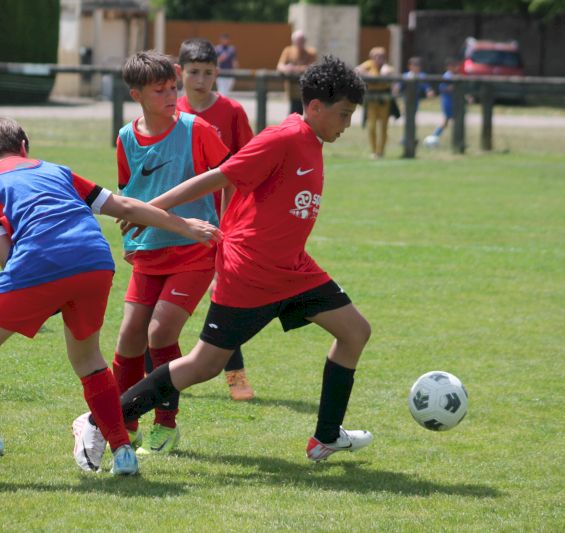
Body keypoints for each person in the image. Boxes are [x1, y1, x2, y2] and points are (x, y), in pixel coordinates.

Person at [74, 55, 373, 469]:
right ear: (317, 107)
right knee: (204, 365)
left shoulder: (312, 139)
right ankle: (97, 419)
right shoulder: (284, 137)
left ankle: (325, 438)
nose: (347, 124)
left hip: (293, 270)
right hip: (251, 272)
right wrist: (151, 209)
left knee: (355, 331)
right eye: (344, 114)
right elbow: (218, 177)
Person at [0, 114, 221, 483]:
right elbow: (124, 206)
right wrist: (184, 225)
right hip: (95, 260)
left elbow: (6, 256)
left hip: (38, 262)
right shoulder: (56, 170)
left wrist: (42, 294)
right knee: (89, 359)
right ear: (24, 147)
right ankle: (123, 452)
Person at [78, 50, 232, 461]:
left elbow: (232, 178)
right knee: (129, 336)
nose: (171, 96)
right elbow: (128, 193)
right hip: (148, 251)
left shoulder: (197, 130)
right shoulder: (126, 138)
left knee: (160, 333)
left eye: (172, 88)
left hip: (194, 249)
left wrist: (229, 231)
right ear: (137, 95)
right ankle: (124, 423)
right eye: (160, 91)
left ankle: (166, 423)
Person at [176, 38, 256, 401]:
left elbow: (246, 168)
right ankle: (157, 373)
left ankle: (236, 376)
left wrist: (232, 223)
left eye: (208, 73)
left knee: (223, 299)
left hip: (220, 223)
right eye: (193, 72)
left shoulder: (232, 112)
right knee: (161, 303)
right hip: (176, 222)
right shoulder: (170, 110)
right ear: (180, 72)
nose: (200, 80)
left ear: (217, 73)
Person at [356, 47, 396, 159]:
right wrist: (368, 73)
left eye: (381, 57)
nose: (378, 59)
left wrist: (379, 74)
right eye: (376, 57)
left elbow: (387, 73)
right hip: (371, 101)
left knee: (383, 127)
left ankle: (381, 152)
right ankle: (373, 151)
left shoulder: (387, 67)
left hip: (384, 101)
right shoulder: (368, 65)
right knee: (372, 126)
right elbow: (357, 69)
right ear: (372, 57)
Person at [276, 30, 318, 115]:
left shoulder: (311, 52)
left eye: (302, 41)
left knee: (306, 115)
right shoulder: (288, 51)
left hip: (307, 92)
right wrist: (287, 68)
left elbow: (312, 68)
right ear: (293, 41)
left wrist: (294, 69)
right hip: (292, 91)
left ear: (305, 41)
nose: (300, 43)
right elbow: (280, 66)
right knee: (293, 114)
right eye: (298, 41)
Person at [397, 56, 435, 146]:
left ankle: (410, 137)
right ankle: (407, 138)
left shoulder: (421, 76)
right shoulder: (406, 76)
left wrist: (429, 91)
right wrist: (396, 89)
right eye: (414, 65)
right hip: (406, 101)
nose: (417, 68)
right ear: (410, 66)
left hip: (415, 101)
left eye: (418, 66)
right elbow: (399, 87)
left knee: (412, 119)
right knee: (408, 119)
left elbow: (426, 86)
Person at [430, 57, 461, 142]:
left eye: (457, 66)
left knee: (447, 122)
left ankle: (434, 136)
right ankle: (433, 137)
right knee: (450, 121)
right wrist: (453, 87)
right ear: (449, 67)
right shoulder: (447, 76)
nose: (457, 68)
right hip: (448, 102)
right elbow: (442, 88)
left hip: (454, 101)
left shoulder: (456, 75)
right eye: (455, 66)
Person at [214, 33, 237, 97]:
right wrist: (220, 59)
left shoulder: (231, 49)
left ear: (228, 40)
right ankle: (220, 101)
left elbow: (234, 61)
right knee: (221, 90)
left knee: (227, 91)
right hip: (221, 73)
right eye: (223, 39)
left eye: (226, 39)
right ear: (221, 40)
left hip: (230, 72)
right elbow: (214, 61)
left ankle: (222, 100)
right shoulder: (217, 49)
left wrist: (235, 69)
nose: (225, 40)